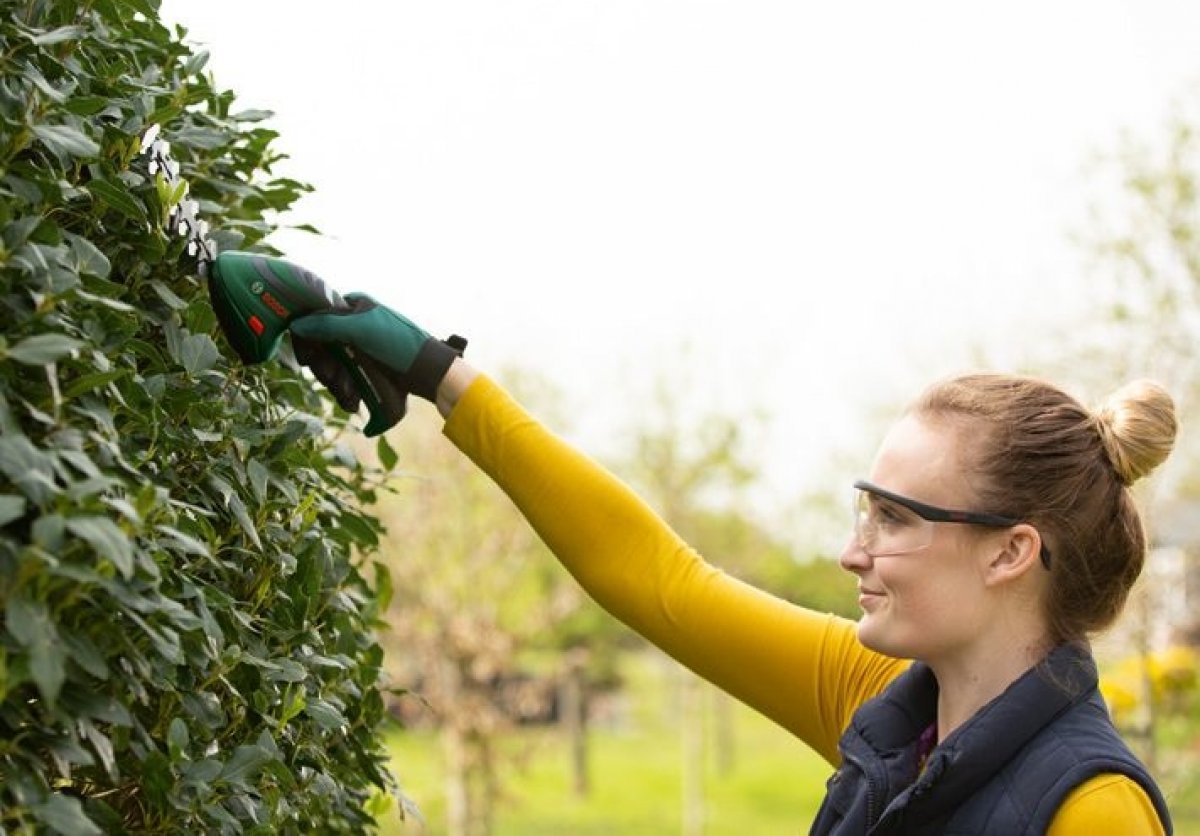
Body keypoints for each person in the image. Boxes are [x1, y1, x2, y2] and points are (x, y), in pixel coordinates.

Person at [289, 297, 1177, 835]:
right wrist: (438, 375)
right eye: (865, 510)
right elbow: (657, 578)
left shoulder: (1092, 809)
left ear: (1012, 551)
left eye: (896, 518)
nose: (853, 551)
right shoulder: (882, 702)